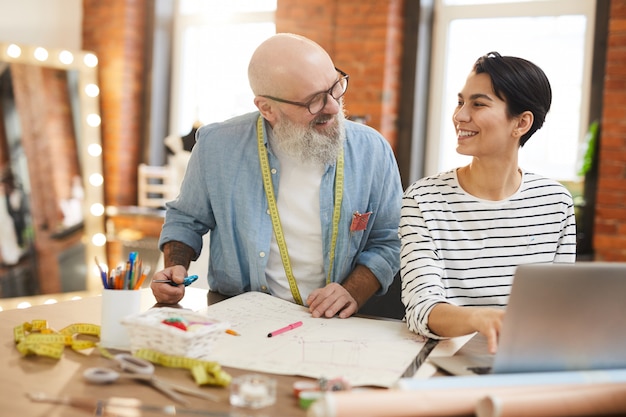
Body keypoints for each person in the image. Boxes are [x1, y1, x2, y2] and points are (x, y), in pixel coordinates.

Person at [151, 33, 402, 319]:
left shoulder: (372, 149)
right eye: (314, 101)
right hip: (239, 319)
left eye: (335, 86)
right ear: (267, 108)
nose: (333, 106)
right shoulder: (216, 146)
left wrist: (353, 291)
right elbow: (186, 220)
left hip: (336, 324)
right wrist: (175, 266)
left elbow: (389, 239)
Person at [399, 52, 577, 353]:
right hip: (447, 357)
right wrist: (481, 318)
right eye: (460, 102)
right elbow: (422, 310)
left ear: (521, 123)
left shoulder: (555, 202)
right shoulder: (423, 199)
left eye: (478, 104)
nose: (459, 116)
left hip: (528, 356)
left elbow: (558, 308)